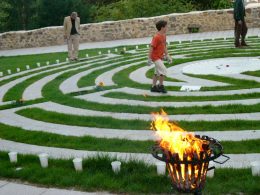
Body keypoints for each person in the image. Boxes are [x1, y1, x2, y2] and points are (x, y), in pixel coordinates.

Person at [147, 20, 172, 94]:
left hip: (160, 57)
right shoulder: (156, 37)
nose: (167, 28)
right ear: (162, 27)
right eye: (166, 26)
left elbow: (164, 46)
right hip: (155, 57)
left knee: (157, 73)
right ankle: (160, 86)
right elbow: (151, 47)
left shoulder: (164, 35)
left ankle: (153, 87)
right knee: (164, 71)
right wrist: (149, 58)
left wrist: (167, 55)